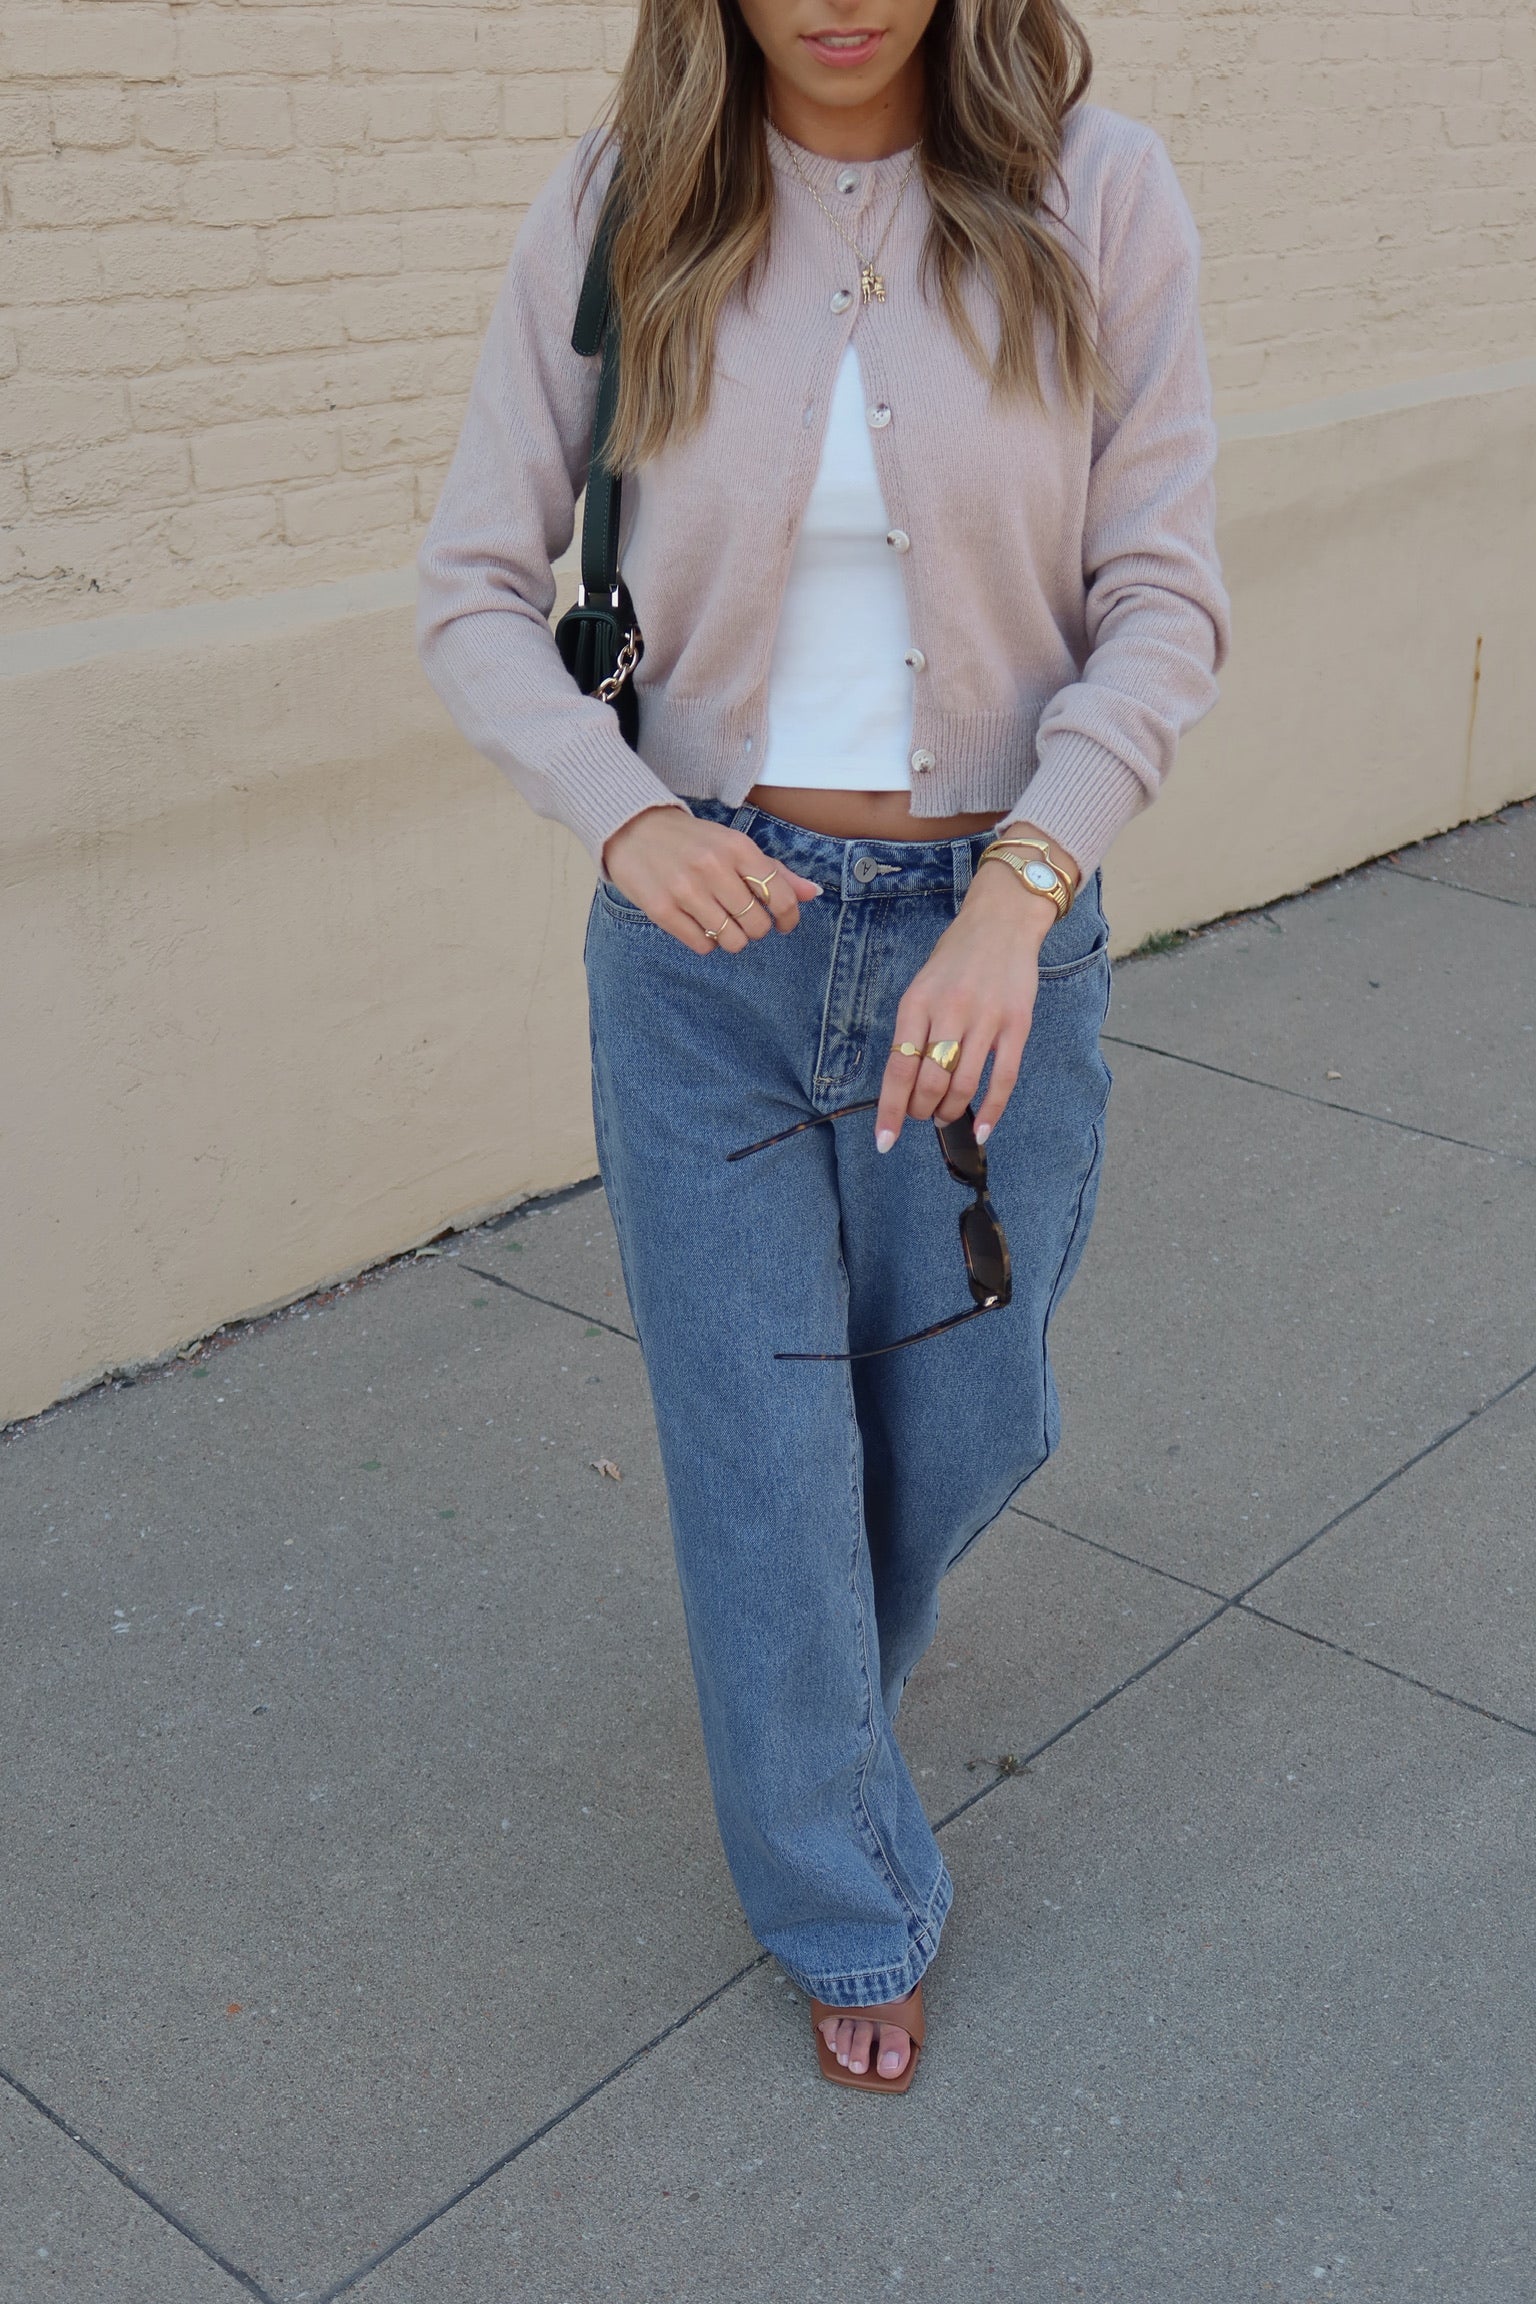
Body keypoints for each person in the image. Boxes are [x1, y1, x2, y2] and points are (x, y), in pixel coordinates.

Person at [418, 0, 1230, 2093]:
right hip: (712, 951)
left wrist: (1020, 894)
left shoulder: (1097, 193)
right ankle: (843, 1889)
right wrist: (624, 817)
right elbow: (473, 586)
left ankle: (811, 1703)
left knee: (965, 1422)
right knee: (762, 1461)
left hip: (992, 937)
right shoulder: (625, 207)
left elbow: (1164, 595)